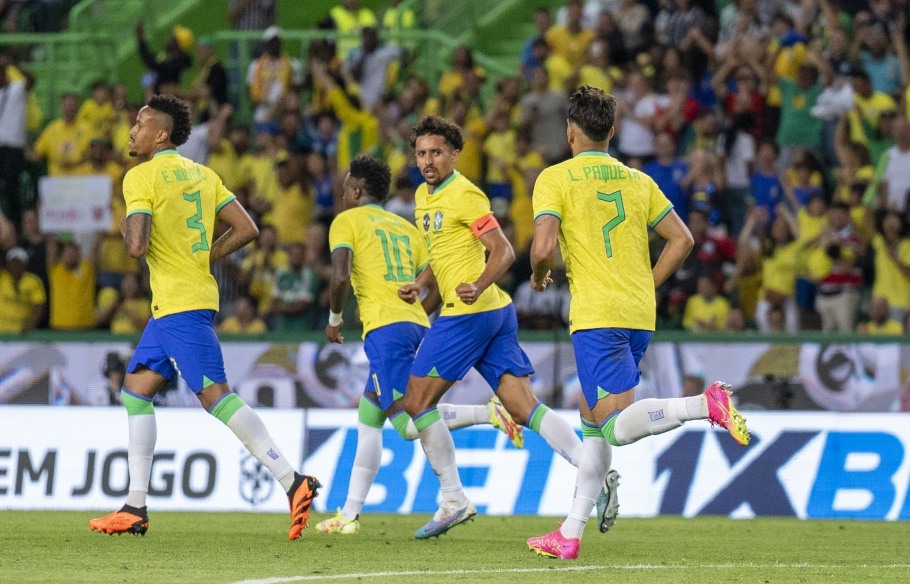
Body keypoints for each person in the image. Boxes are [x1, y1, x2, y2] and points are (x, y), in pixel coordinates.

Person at [527, 86, 750, 560]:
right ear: (611, 131)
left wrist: (539, 274)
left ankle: (704, 405)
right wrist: (648, 284)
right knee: (591, 423)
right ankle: (570, 533)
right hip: (637, 313)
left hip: (597, 315)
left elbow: (543, 248)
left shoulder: (555, 178)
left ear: (570, 131)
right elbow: (682, 238)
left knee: (612, 428)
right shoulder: (638, 180)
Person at [88, 94, 320, 540]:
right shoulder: (204, 174)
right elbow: (248, 228)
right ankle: (135, 506)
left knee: (216, 397)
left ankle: (293, 480)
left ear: (161, 135)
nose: (132, 130)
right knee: (136, 392)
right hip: (176, 304)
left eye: (141, 123)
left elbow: (136, 248)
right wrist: (207, 254)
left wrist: (124, 229)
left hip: (179, 305)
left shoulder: (140, 177)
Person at [397, 116, 588, 540]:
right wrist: (422, 283)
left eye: (437, 153)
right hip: (495, 314)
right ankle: (593, 467)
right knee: (524, 407)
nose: (428, 161)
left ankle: (453, 499)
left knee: (415, 403)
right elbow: (441, 252)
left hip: (470, 313)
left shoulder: (466, 194)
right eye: (422, 154)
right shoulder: (423, 197)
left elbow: (503, 251)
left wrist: (476, 285)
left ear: (455, 155)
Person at [315, 155, 525, 535]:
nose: (343, 192)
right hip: (413, 324)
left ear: (357, 190)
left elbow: (341, 275)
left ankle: (487, 418)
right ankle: (348, 515)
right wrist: (418, 310)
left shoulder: (346, 221)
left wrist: (334, 319)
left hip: (384, 331)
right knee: (368, 422)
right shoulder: (406, 228)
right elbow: (436, 279)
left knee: (409, 425)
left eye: (346, 186)